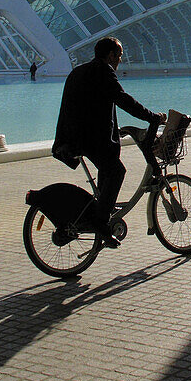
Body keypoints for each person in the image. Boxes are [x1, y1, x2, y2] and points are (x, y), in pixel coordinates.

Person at [52, 37, 165, 246]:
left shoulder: (79, 71)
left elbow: (94, 105)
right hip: (89, 140)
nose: (120, 60)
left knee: (107, 171)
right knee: (117, 171)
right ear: (111, 55)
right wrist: (152, 117)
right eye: (119, 56)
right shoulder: (103, 71)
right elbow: (123, 99)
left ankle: (99, 211)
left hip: (72, 138)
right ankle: (101, 224)